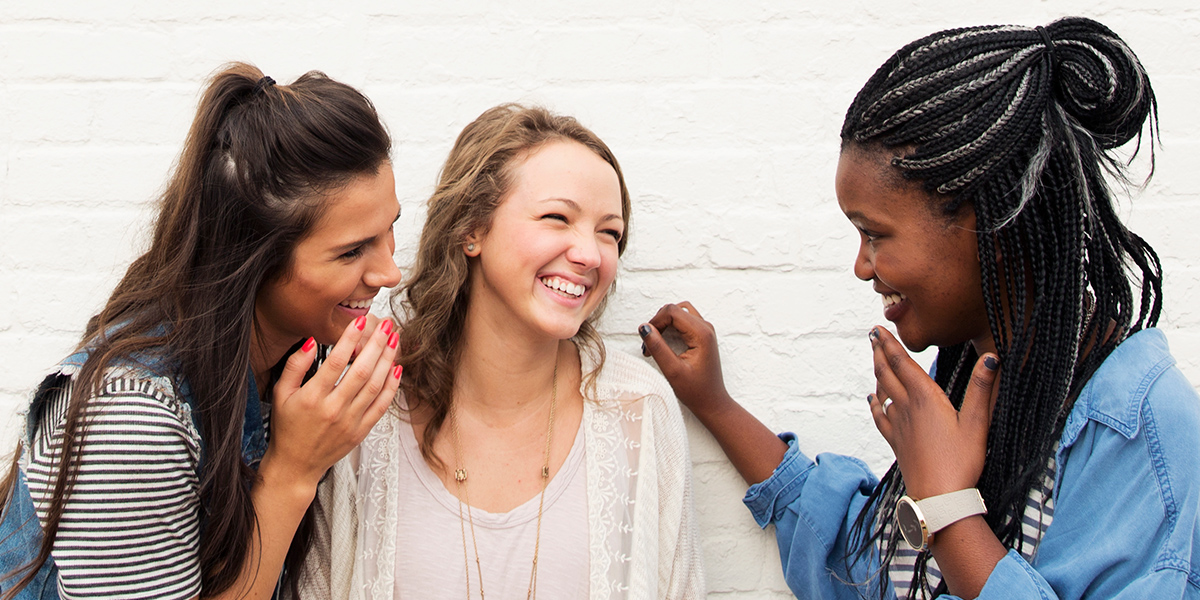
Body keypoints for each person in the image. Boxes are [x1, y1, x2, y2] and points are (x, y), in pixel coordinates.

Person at [639, 16, 1200, 600]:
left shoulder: (1148, 434)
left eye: (875, 234)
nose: (862, 265)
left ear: (985, 223)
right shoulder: (973, 376)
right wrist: (715, 403)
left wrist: (951, 512)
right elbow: (869, 569)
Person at [0, 63, 404, 600]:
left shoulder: (294, 363)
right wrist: (291, 472)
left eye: (390, 229)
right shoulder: (131, 418)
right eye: (352, 251)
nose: (389, 273)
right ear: (252, 258)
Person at [303, 104, 704, 599]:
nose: (590, 254)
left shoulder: (640, 409)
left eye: (609, 232)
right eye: (558, 217)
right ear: (472, 228)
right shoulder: (364, 403)